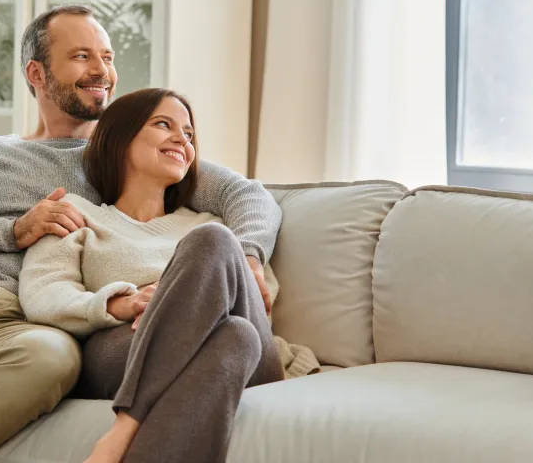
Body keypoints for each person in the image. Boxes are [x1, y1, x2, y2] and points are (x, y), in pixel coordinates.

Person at [0, 5, 284, 463]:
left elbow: (249, 197)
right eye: (82, 56)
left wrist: (248, 257)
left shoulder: (126, 152)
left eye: (107, 56)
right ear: (37, 73)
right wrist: (11, 231)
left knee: (55, 360)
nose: (102, 70)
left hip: (24, 322)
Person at [20, 88, 313, 463]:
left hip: (254, 357)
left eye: (189, 134)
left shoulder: (214, 227)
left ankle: (123, 428)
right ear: (120, 138)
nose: (182, 139)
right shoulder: (75, 214)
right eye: (163, 125)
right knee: (234, 337)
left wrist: (176, 298)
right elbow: (42, 293)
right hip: (122, 349)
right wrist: (123, 302)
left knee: (213, 247)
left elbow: (256, 296)